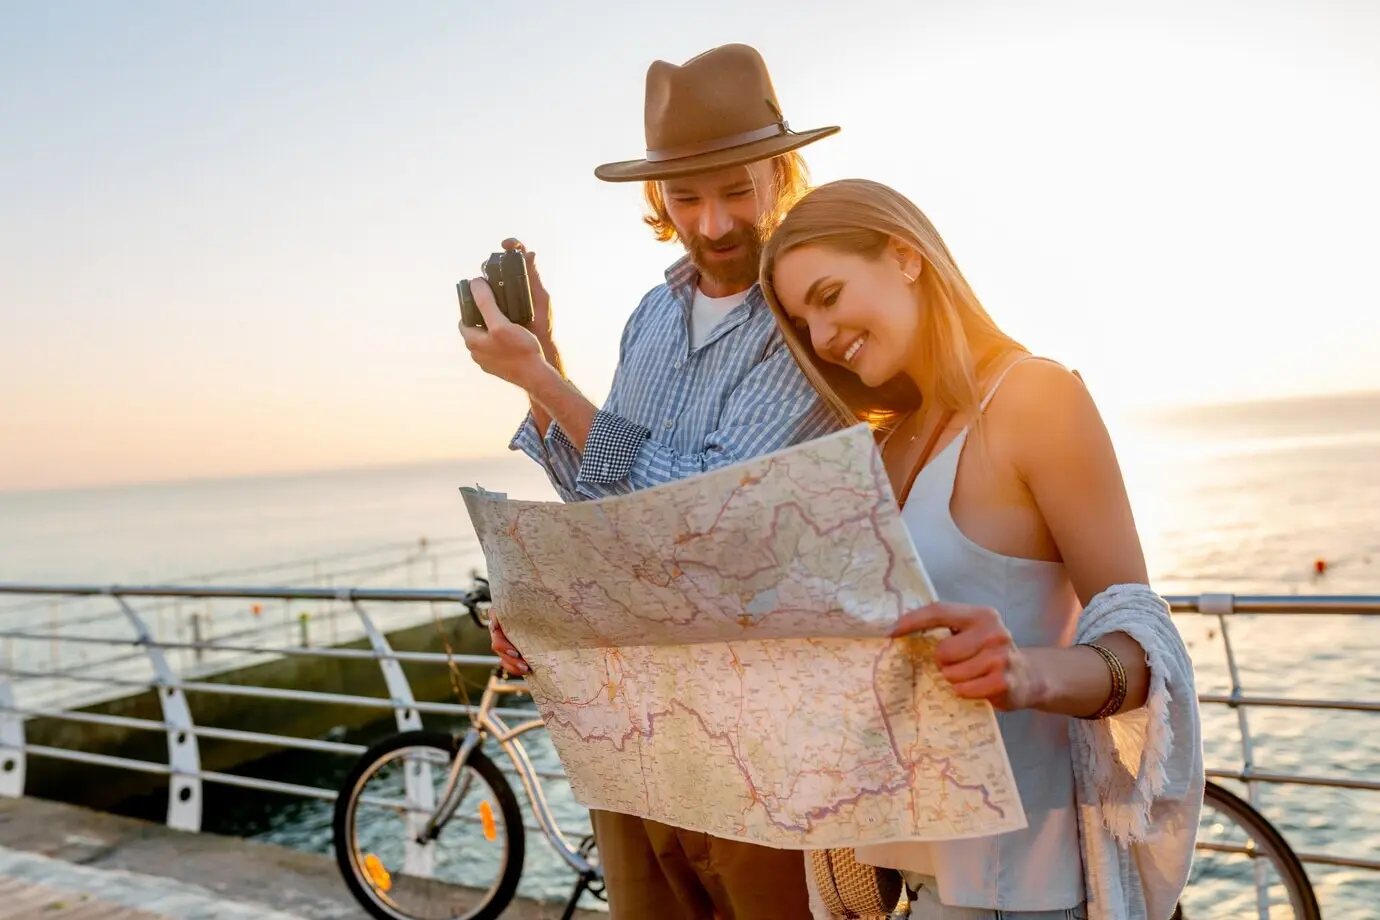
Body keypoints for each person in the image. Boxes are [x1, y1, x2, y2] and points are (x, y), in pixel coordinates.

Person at [459, 44, 842, 920]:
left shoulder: (809, 313)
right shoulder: (652, 313)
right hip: (633, 732)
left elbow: (704, 516)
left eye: (736, 190)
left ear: (781, 173)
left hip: (758, 745)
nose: (712, 224)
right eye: (687, 196)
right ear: (657, 199)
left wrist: (551, 386)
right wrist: (542, 362)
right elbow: (605, 509)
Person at [756, 178, 1204, 920]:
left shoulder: (1035, 397)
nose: (824, 337)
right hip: (902, 887)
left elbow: (1142, 652)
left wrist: (1026, 672)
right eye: (805, 323)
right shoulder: (879, 447)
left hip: (1020, 890)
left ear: (905, 256)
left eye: (829, 296)